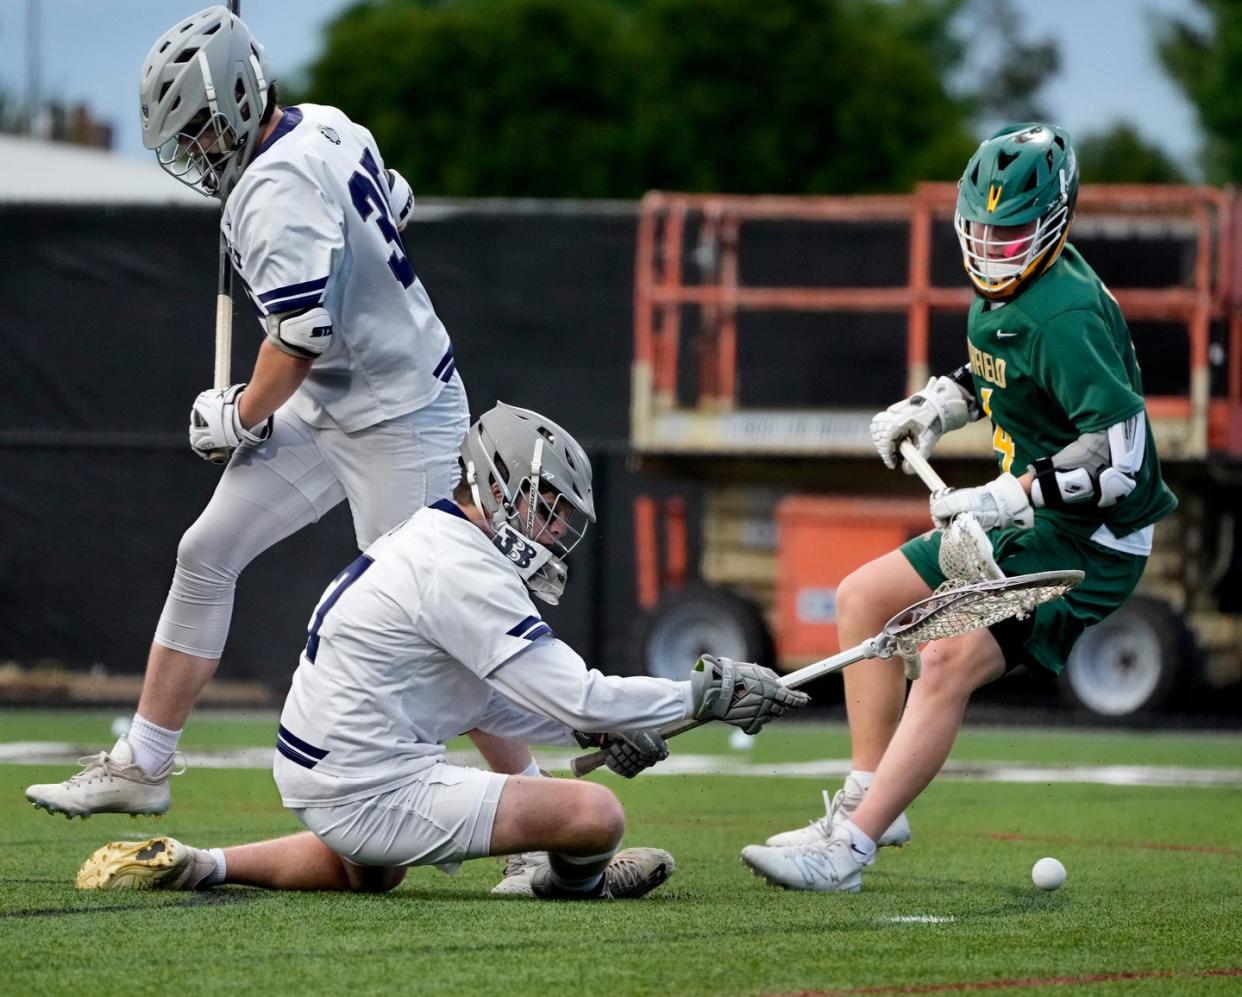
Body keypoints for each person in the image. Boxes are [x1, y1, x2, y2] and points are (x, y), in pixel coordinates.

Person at [24, 5, 539, 857]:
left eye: (196, 129)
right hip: (342, 399)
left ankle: (539, 824)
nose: (191, 151)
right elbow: (395, 203)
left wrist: (236, 413)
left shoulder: (270, 186)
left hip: (398, 416)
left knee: (433, 620)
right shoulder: (328, 126)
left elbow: (302, 337)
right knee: (206, 548)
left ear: (233, 99)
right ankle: (144, 762)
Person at [75, 404, 809, 899]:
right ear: (495, 486)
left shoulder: (442, 536)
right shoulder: (462, 566)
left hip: (325, 769)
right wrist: (701, 695)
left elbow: (497, 700)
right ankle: (560, 883)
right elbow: (572, 692)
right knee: (595, 813)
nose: (553, 531)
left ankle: (204, 863)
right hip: (365, 780)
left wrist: (597, 727)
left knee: (374, 874)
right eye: (544, 507)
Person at [740, 123, 1178, 891]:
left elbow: (1119, 459)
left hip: (1091, 540)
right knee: (863, 597)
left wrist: (1009, 494)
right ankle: (870, 796)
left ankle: (847, 851)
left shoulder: (1066, 312)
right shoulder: (1006, 296)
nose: (992, 247)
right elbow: (998, 373)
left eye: (1010, 233)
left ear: (1055, 220)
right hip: (1028, 518)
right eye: (981, 229)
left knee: (944, 658)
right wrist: (936, 406)